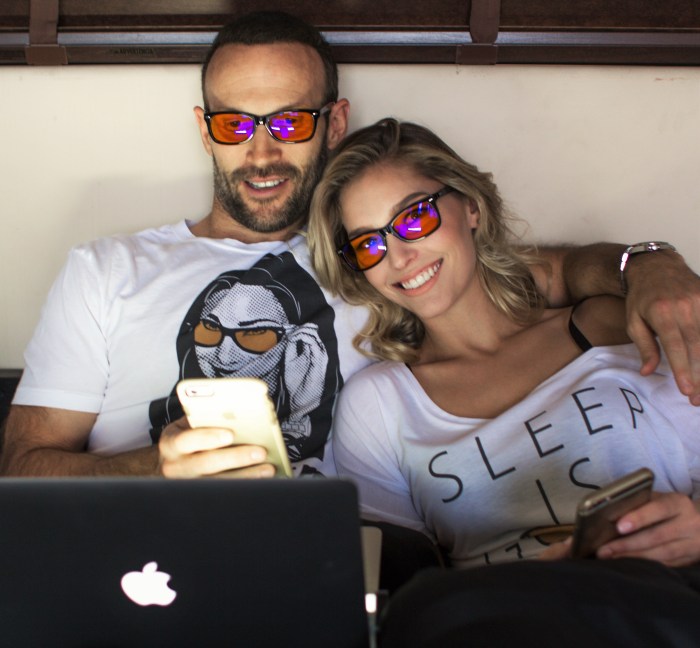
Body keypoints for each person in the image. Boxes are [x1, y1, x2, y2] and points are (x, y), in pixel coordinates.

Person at [1, 11, 699, 480]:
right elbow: (22, 464)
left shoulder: (385, 257)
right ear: (206, 129)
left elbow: (558, 272)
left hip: (326, 570)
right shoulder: (106, 271)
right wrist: (152, 467)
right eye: (235, 125)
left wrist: (650, 262)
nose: (262, 153)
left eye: (290, 123)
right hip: (141, 563)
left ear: (335, 123)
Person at [306, 118, 700, 646]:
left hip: (658, 599)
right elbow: (392, 580)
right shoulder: (378, 404)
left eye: (414, 217)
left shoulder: (608, 325)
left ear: (471, 206)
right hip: (491, 623)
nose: (398, 257)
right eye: (368, 245)